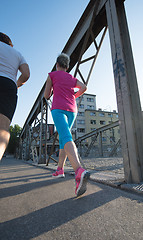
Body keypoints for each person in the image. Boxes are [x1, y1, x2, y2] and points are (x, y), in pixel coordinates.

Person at [44, 53, 90, 197]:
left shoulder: (52, 75)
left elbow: (46, 95)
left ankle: (78, 171)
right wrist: (74, 96)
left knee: (65, 136)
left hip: (58, 108)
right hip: (72, 110)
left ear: (57, 64)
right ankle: (60, 169)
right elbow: (84, 87)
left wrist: (52, 89)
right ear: (67, 66)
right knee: (64, 139)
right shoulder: (71, 78)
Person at [0, 32, 30, 161]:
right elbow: (26, 74)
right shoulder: (17, 54)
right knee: (3, 128)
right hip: (8, 86)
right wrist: (16, 84)